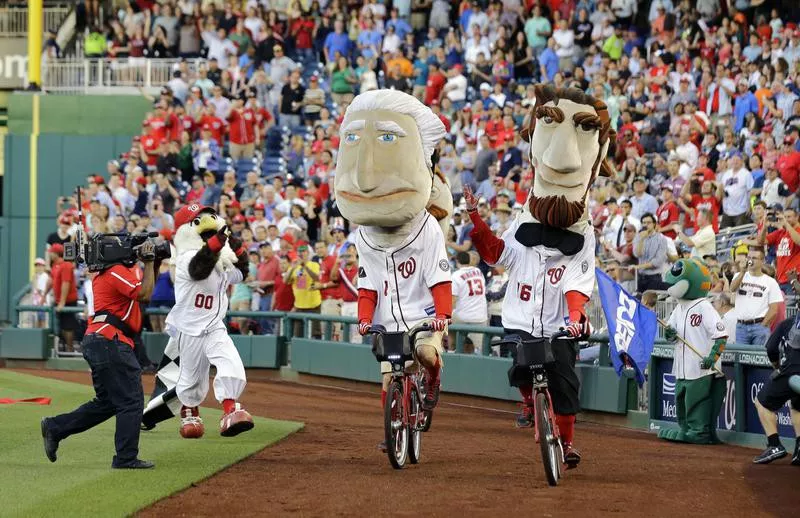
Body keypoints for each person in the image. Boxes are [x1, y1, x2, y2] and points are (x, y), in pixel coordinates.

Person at [464, 85, 617, 469]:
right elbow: (499, 254)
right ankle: (530, 404)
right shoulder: (523, 221)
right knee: (519, 370)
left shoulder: (584, 234)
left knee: (566, 389)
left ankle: (565, 446)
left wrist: (576, 318)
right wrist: (476, 219)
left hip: (558, 323)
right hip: (522, 318)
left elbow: (577, 282)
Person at [41, 241, 157, 469]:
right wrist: (149, 261)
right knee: (131, 401)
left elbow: (143, 288)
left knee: (108, 402)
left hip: (100, 339)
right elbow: (143, 293)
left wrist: (150, 262)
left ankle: (56, 427)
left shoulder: (106, 272)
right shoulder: (115, 270)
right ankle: (125, 458)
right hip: (110, 340)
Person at [752, 307, 800, 465]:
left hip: (792, 368)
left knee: (762, 402)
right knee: (797, 406)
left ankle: (774, 445)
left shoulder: (788, 323)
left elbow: (771, 347)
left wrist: (777, 367)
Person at [730, 246, 783, 346]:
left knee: (758, 360)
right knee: (741, 359)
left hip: (759, 327)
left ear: (762, 260)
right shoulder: (739, 275)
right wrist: (742, 272)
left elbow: (774, 309)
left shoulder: (770, 282)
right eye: (749, 257)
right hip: (741, 326)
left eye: (754, 258)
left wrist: (763, 325)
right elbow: (732, 289)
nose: (750, 260)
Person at [450, 251, 488, 354]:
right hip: (480, 316)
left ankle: (451, 350)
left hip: (462, 317)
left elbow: (452, 300)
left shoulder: (456, 275)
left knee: (446, 324)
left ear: (457, 261)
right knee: (480, 350)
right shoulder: (478, 271)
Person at [286, 244, 322, 338]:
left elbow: (317, 278)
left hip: (313, 305)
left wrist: (305, 266)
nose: (301, 254)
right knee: (298, 334)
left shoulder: (314, 264)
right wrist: (292, 268)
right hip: (299, 306)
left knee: (315, 333)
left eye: (303, 251)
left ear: (308, 253)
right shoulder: (294, 266)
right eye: (299, 252)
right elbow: (286, 281)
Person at [49, 243, 79, 353]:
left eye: (51, 253)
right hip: (59, 301)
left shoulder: (66, 265)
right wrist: (44, 296)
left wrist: (62, 302)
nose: (50, 255)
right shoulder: (55, 265)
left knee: (68, 327)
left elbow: (66, 283)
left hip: (69, 301)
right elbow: (51, 281)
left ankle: (70, 350)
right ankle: (63, 350)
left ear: (56, 254)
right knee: (61, 327)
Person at [631, 213, 669, 292]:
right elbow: (637, 254)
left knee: (652, 303)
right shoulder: (638, 237)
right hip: (640, 277)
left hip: (654, 278)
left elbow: (658, 261)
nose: (645, 225)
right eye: (644, 223)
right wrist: (641, 239)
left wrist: (639, 267)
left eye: (648, 223)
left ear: (654, 224)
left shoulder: (661, 239)